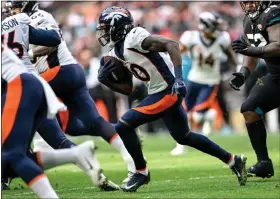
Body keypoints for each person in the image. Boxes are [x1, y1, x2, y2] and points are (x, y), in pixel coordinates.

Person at [96, 6, 247, 192]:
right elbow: (127, 89)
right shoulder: (115, 52)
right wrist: (105, 81)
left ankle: (141, 172)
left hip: (169, 90)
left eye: (105, 28)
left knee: (124, 124)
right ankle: (233, 160)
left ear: (117, 27)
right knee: (184, 137)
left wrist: (179, 79)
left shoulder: (134, 36)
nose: (103, 33)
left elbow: (172, 44)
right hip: (158, 92)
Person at [6, 0, 135, 184]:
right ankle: (131, 162)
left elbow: (52, 43)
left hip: (56, 71)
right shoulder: (27, 21)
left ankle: (10, 171)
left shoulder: (38, 16)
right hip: (72, 72)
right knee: (93, 122)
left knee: (42, 129)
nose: (13, 12)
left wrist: (31, 54)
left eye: (16, 7)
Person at [2, 45, 102, 198]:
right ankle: (75, 153)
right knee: (10, 161)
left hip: (22, 88)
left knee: (13, 155)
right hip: (30, 86)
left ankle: (74, 153)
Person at [170, 12, 238, 156]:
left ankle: (209, 116)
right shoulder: (191, 37)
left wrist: (239, 68)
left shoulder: (222, 39)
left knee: (197, 116)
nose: (218, 29)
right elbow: (177, 52)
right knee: (184, 113)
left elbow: (231, 55)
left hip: (211, 81)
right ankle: (180, 145)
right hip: (194, 79)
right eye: (214, 26)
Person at [230, 0, 280, 178]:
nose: (249, 5)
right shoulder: (248, 21)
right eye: (247, 2)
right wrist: (243, 73)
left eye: (253, 1)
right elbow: (250, 51)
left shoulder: (274, 12)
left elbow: (277, 46)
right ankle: (264, 163)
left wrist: (250, 50)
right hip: (276, 78)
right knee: (251, 109)